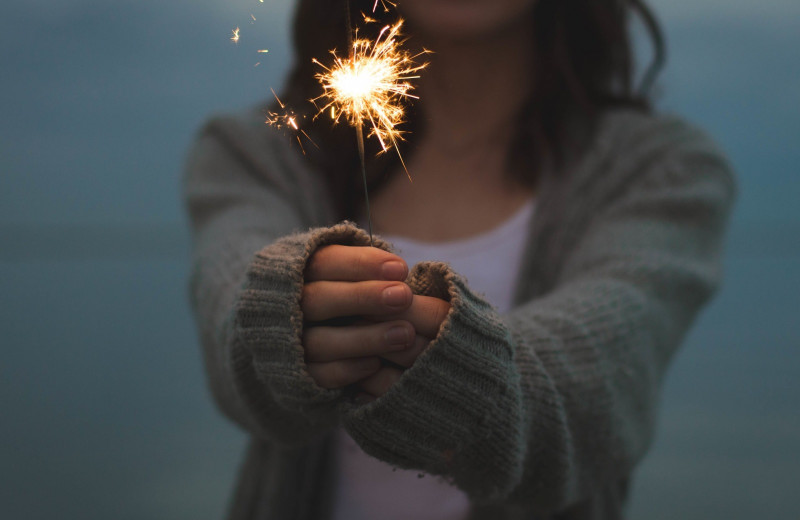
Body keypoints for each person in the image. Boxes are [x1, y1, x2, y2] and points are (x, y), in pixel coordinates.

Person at [183, 0, 736, 518]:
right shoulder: (259, 153)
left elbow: (605, 380)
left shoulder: (661, 171)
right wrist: (282, 317)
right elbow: (232, 315)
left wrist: (462, 371)